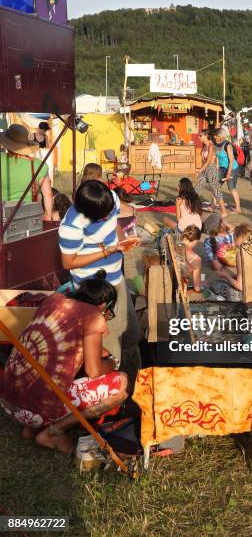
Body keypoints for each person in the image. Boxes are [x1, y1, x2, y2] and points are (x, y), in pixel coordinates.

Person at [0, 271, 128, 454]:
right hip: (36, 412)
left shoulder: (54, 301)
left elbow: (56, 343)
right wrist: (112, 363)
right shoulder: (93, 316)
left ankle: (29, 428)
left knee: (43, 367)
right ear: (103, 306)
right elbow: (94, 371)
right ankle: (53, 432)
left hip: (8, 402)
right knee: (121, 383)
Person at [58, 180, 140, 363]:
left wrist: (125, 237)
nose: (109, 216)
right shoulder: (72, 226)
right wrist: (105, 252)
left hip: (117, 278)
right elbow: (68, 262)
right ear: (90, 215)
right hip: (94, 289)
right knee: (110, 341)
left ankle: (131, 373)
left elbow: (118, 219)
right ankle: (114, 383)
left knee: (130, 333)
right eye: (104, 216)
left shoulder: (109, 199)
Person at [0, 124, 53, 220]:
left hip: (2, 215)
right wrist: (48, 216)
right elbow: (48, 195)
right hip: (29, 216)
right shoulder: (38, 165)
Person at [195, 130, 226, 216]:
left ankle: (223, 211)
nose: (199, 137)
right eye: (199, 135)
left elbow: (209, 161)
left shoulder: (211, 145)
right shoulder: (204, 145)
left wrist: (200, 170)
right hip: (205, 169)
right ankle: (191, 207)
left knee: (215, 190)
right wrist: (200, 170)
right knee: (197, 187)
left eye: (200, 135)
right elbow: (203, 160)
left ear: (206, 135)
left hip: (211, 169)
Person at [214, 130, 242, 213]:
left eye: (216, 135)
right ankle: (213, 206)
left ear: (221, 136)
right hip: (222, 168)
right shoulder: (216, 145)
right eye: (214, 135)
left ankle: (238, 208)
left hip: (232, 168)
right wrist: (217, 169)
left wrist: (228, 174)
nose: (215, 137)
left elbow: (231, 161)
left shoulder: (227, 145)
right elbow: (218, 158)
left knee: (231, 187)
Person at [180, 225, 202, 292]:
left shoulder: (173, 245)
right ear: (196, 241)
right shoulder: (196, 258)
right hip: (180, 284)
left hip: (169, 275)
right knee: (203, 278)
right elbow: (197, 287)